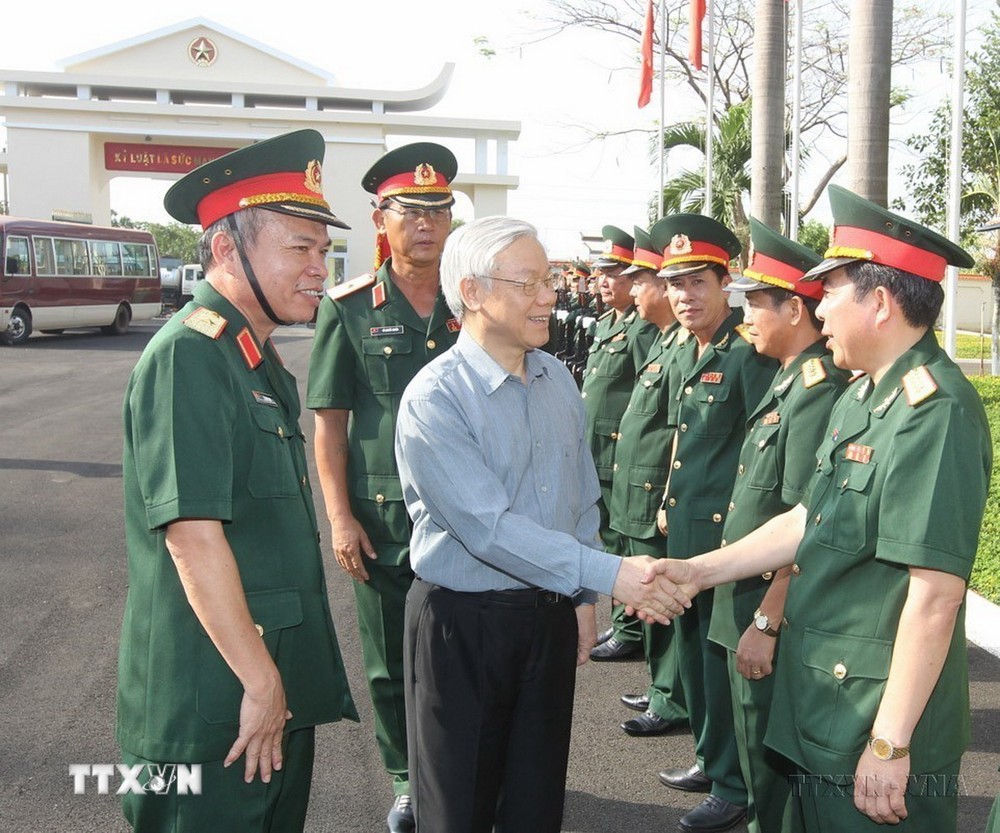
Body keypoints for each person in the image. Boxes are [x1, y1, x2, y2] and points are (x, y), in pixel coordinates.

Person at [644, 186, 992, 833]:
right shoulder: (863, 396)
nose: (818, 307)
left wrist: (890, 743)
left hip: (872, 724)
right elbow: (807, 519)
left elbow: (936, 595)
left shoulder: (935, 412)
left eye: (830, 290)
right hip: (823, 706)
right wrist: (697, 570)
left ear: (881, 302)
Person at [394, 216, 688, 833]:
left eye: (550, 280)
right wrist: (611, 575)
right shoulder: (436, 398)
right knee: (460, 806)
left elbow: (579, 496)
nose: (550, 295)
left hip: (549, 614)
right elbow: (489, 530)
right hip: (465, 624)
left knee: (536, 797)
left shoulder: (555, 377)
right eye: (528, 283)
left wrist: (582, 599)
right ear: (473, 293)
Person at [117, 129, 358, 833]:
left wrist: (270, 684)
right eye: (300, 248)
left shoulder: (250, 355)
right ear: (227, 248)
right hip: (217, 703)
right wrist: (258, 680)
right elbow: (192, 539)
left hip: (263, 689)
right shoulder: (189, 357)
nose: (320, 267)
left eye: (323, 249)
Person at [306, 142, 461, 833]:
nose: (425, 223)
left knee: (464, 651)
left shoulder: (475, 299)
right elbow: (330, 424)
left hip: (469, 517)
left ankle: (455, 767)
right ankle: (406, 777)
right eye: (411, 211)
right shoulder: (349, 308)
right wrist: (339, 516)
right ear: (381, 218)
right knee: (391, 660)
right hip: (383, 519)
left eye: (438, 209)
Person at [706, 218, 849, 833]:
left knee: (772, 768)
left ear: (795, 309)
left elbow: (805, 520)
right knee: (751, 743)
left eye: (757, 304)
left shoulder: (816, 388)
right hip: (743, 594)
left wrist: (768, 617)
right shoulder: (790, 381)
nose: (748, 318)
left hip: (767, 603)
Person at [651, 214, 777, 833]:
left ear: (725, 284)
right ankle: (710, 757)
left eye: (697, 283)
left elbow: (763, 457)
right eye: (674, 285)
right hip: (689, 534)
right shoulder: (688, 347)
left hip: (731, 545)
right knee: (697, 659)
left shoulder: (749, 354)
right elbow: (685, 441)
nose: (684, 297)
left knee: (722, 665)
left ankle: (733, 785)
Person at [609, 225, 688, 735]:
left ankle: (671, 697)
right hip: (635, 488)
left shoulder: (681, 346)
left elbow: (681, 433)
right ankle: (664, 688)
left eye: (642, 281)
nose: (634, 289)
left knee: (666, 604)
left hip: (656, 494)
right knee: (651, 598)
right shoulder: (666, 342)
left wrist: (663, 497)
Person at [583, 224, 660, 662]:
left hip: (621, 456)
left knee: (622, 544)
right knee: (609, 540)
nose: (606, 281)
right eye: (604, 273)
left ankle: (628, 629)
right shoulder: (608, 324)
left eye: (617, 273)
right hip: (599, 453)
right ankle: (626, 623)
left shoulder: (640, 331)